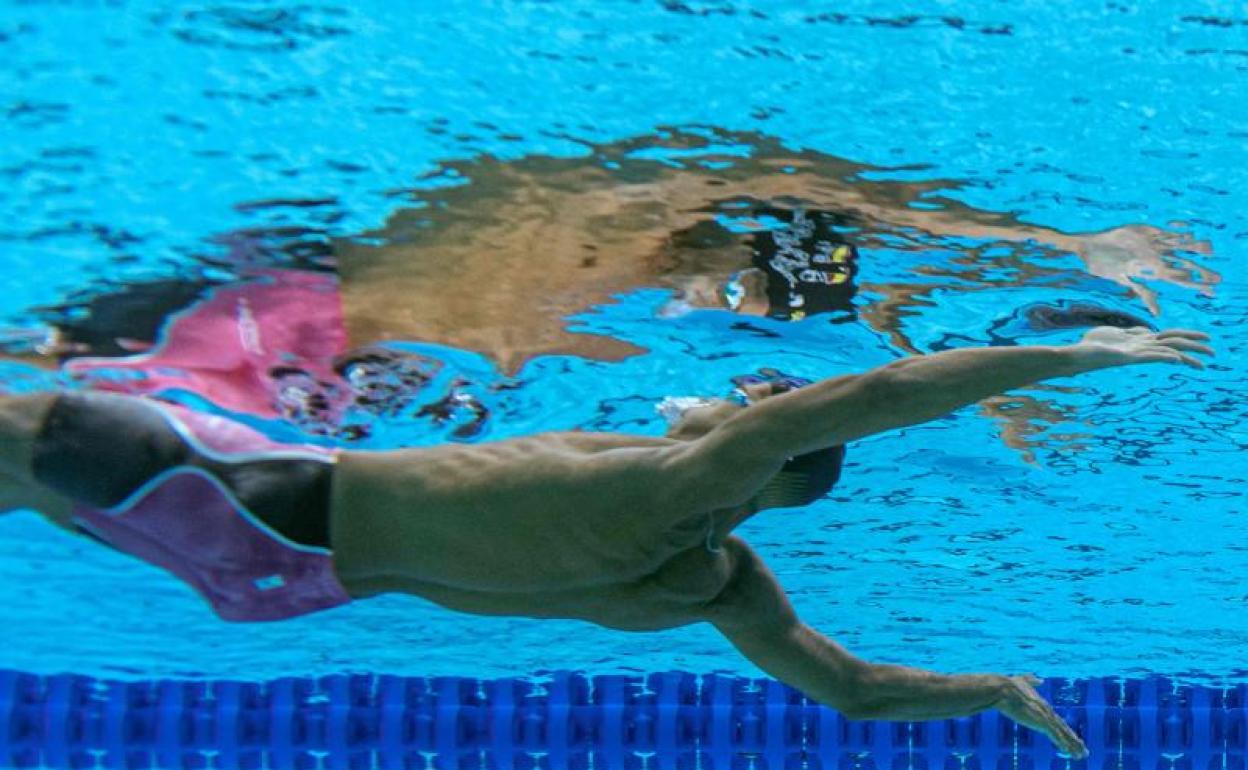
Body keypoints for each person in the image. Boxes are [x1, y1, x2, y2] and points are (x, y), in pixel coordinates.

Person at [0, 325, 1215, 756]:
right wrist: (994, 688)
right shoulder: (717, 580)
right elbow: (849, 690)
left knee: (22, 424)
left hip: (261, 499)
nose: (719, 408)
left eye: (743, 412)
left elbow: (881, 392)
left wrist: (1079, 353)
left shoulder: (685, 472)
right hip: (280, 579)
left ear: (760, 446)